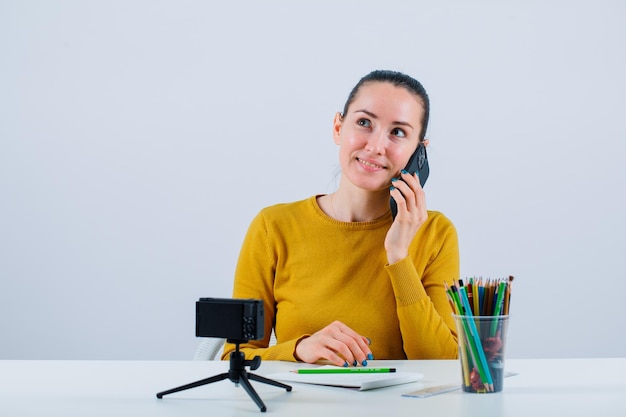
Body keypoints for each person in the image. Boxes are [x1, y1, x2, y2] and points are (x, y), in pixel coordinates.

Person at [222, 70, 459, 366]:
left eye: (398, 132)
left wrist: (399, 256)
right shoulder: (273, 227)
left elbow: (443, 365)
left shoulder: (436, 233)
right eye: (364, 123)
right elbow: (234, 359)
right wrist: (298, 350)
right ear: (338, 127)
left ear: (418, 153)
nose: (375, 146)